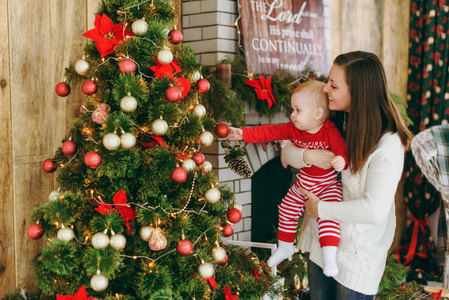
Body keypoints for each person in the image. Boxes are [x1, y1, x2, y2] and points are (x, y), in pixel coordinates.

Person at [281, 51, 414, 299]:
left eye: (333, 85)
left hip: (356, 255)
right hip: (322, 243)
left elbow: (373, 211)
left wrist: (320, 209)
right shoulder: (338, 121)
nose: (325, 90)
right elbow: (287, 148)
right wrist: (308, 157)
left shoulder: (387, 144)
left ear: (358, 91)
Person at [228, 80, 348, 277]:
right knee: (286, 208)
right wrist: (242, 133)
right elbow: (268, 131)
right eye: (293, 109)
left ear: (317, 113)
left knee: (327, 217)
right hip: (303, 185)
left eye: (298, 110)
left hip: (327, 187)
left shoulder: (329, 131)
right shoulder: (293, 129)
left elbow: (341, 147)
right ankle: (285, 246)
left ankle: (329, 256)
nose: (292, 115)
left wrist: (341, 160)